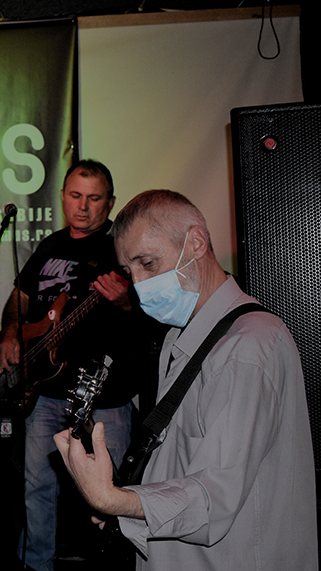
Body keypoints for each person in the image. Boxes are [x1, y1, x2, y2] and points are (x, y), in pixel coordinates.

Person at [55, 189, 318, 570]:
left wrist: (113, 499)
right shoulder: (181, 336)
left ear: (196, 242)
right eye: (130, 272)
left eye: (148, 263)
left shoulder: (248, 346)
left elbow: (215, 495)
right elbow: (176, 465)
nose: (139, 285)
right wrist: (127, 507)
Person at [0, 160, 148, 571]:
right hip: (46, 391)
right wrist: (11, 333)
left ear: (110, 202)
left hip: (106, 395)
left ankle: (117, 566)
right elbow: (21, 297)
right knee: (37, 487)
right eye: (76, 196)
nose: (83, 206)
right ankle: (36, 566)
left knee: (111, 492)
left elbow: (153, 317)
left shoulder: (122, 247)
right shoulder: (50, 246)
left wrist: (127, 302)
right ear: (62, 197)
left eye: (94, 198)